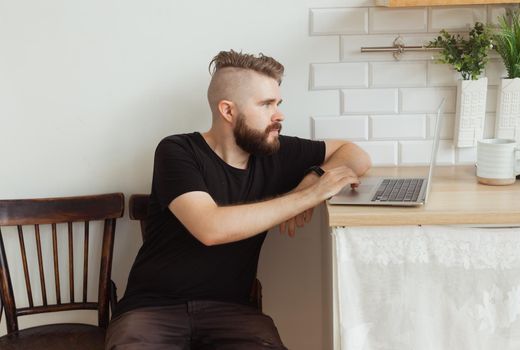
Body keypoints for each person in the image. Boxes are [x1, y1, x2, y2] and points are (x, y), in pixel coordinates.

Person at [105, 50, 371, 350]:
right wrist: (310, 196)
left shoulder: (275, 152)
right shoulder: (177, 150)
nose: (279, 115)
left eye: (278, 104)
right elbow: (210, 228)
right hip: (151, 310)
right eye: (266, 105)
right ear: (228, 111)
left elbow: (354, 153)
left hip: (232, 311)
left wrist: (311, 179)